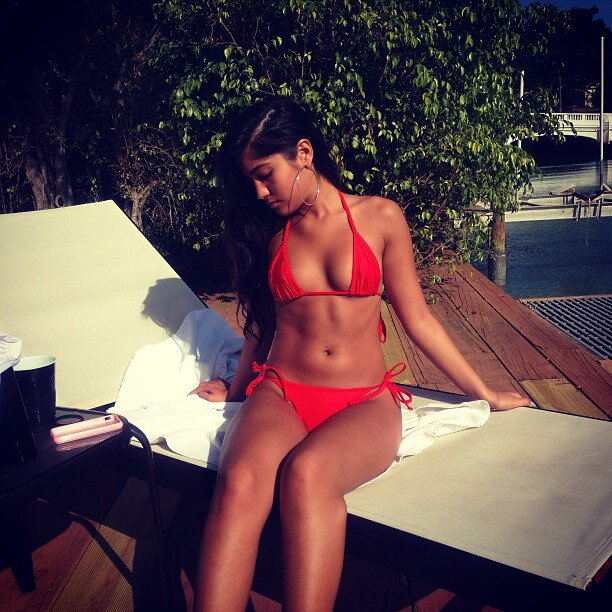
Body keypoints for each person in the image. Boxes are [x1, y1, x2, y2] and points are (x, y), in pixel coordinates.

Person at [191, 97, 529, 611]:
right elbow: (261, 326)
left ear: (304, 154)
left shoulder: (380, 216)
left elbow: (417, 319)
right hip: (282, 392)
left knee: (307, 475)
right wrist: (235, 392)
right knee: (239, 481)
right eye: (251, 182)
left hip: (363, 401)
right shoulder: (269, 233)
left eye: (265, 175)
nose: (259, 192)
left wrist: (483, 392)